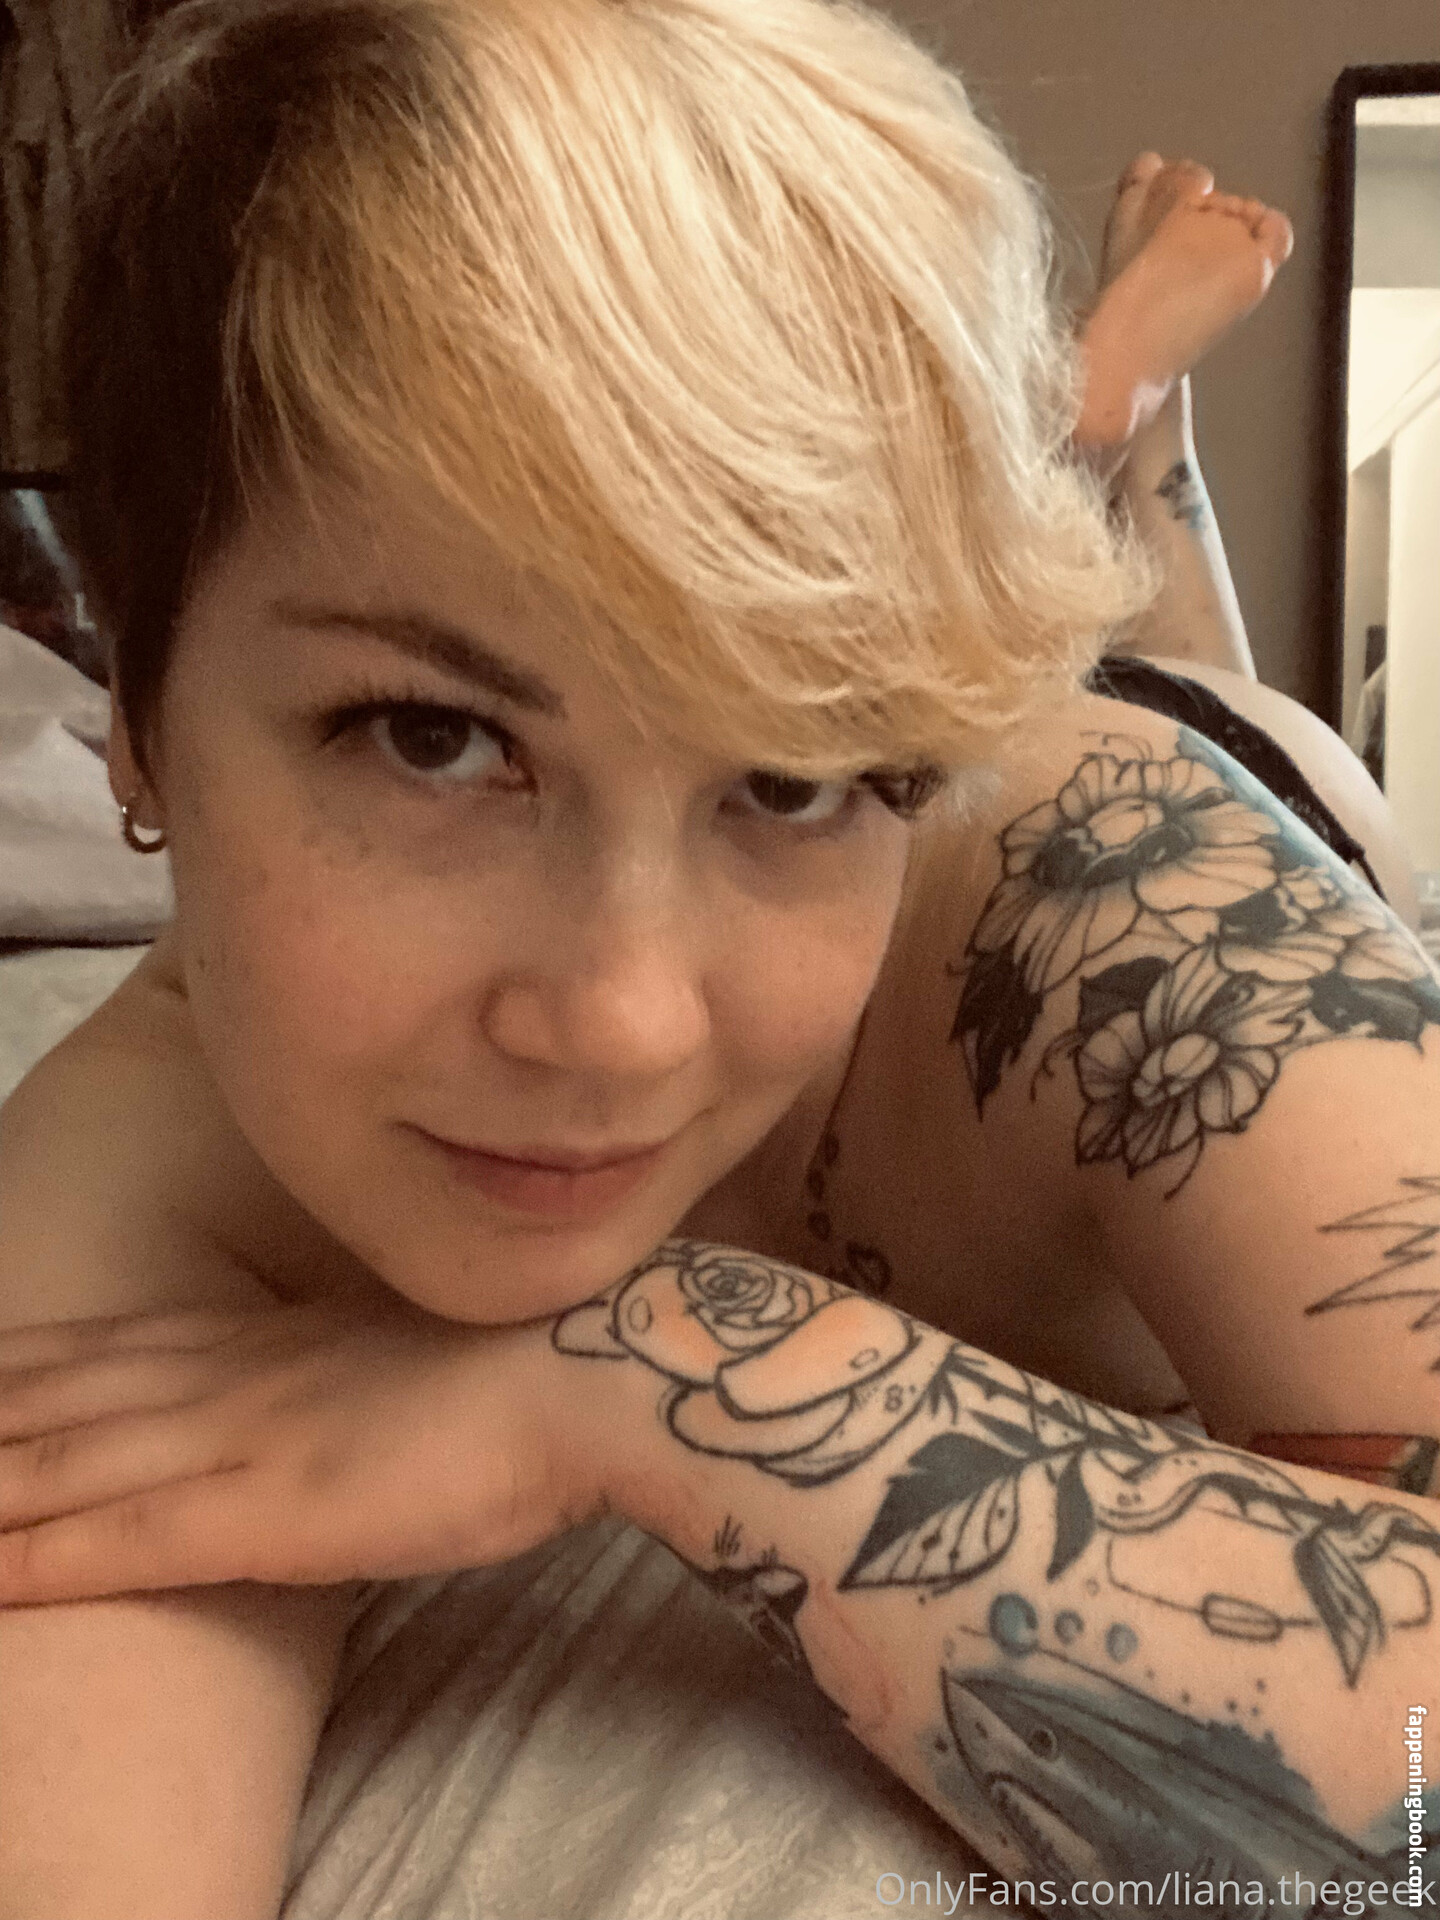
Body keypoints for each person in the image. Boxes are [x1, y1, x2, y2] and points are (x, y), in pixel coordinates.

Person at [0, 2, 1435, 1917]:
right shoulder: (136, 1176)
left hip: (1196, 763)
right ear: (136, 713)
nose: (622, 1023)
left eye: (801, 777)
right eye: (431, 736)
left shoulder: (1120, 893)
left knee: (1183, 677)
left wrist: (669, 1373)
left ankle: (1108, 422)